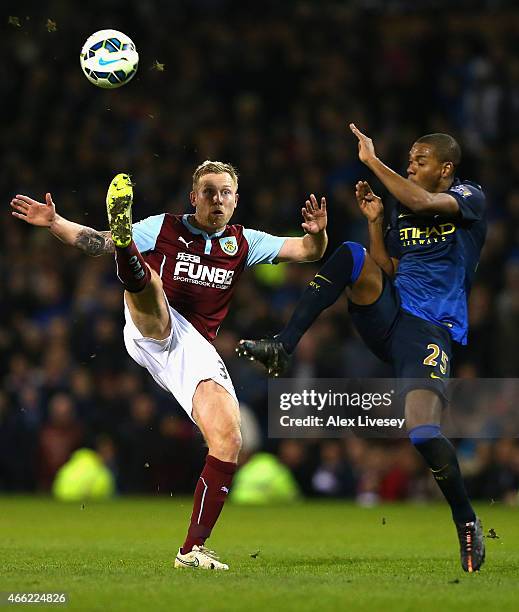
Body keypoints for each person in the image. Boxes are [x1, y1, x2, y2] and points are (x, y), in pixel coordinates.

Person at [10, 161, 328, 570]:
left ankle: (191, 551)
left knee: (229, 438)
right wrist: (55, 222)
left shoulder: (243, 242)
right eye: (208, 192)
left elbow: (307, 251)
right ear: (193, 198)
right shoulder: (163, 228)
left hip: (193, 349)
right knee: (153, 289)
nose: (217, 199)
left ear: (235, 200)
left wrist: (318, 234)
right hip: (152, 324)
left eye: (225, 192)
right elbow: (94, 241)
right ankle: (130, 255)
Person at [237, 125, 487, 572]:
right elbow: (390, 265)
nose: (411, 165)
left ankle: (466, 521)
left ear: (446, 168)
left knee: (424, 434)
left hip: (429, 331)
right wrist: (375, 223)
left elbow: (425, 202)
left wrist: (373, 161)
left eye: (421, 159)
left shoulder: (468, 197)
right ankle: (283, 344)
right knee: (353, 253)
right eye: (409, 157)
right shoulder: (400, 208)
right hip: (389, 316)